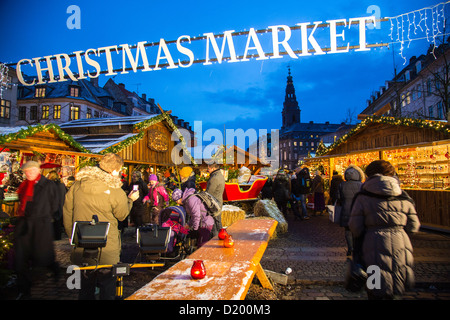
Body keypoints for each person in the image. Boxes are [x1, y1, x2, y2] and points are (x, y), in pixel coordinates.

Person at [63, 153, 139, 300]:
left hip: (82, 244)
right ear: (115, 170)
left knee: (85, 287)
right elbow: (122, 214)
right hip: (106, 247)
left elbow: (67, 212)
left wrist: (73, 236)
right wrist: (130, 200)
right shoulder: (115, 188)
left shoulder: (78, 185)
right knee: (107, 286)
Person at [349, 160, 420, 300]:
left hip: (372, 245)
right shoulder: (403, 196)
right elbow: (413, 226)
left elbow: (355, 226)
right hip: (401, 246)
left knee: (375, 287)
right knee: (396, 286)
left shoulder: (363, 196)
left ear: (368, 175)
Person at [14, 161, 61, 299]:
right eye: (27, 171)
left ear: (38, 170)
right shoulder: (24, 186)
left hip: (41, 224)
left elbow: (55, 204)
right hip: (24, 225)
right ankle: (24, 290)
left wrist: (46, 217)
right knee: (21, 258)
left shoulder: (48, 185)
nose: (29, 173)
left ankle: (53, 267)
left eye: (32, 170)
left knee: (42, 256)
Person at [338, 165, 364, 256]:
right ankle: (357, 248)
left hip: (346, 209)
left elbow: (339, 197)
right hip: (358, 210)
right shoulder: (361, 185)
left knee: (347, 230)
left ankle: (350, 248)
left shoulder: (342, 184)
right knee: (358, 230)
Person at [46, 170, 67, 241]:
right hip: (61, 204)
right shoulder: (62, 185)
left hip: (53, 205)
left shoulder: (50, 185)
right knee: (58, 222)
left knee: (53, 222)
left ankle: (53, 236)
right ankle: (58, 236)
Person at [205, 163, 225, 234]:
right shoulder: (219, 175)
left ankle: (216, 240)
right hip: (218, 201)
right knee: (218, 223)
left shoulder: (214, 178)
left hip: (214, 204)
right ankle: (221, 235)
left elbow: (209, 193)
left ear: (213, 168)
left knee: (215, 225)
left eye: (209, 168)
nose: (208, 170)